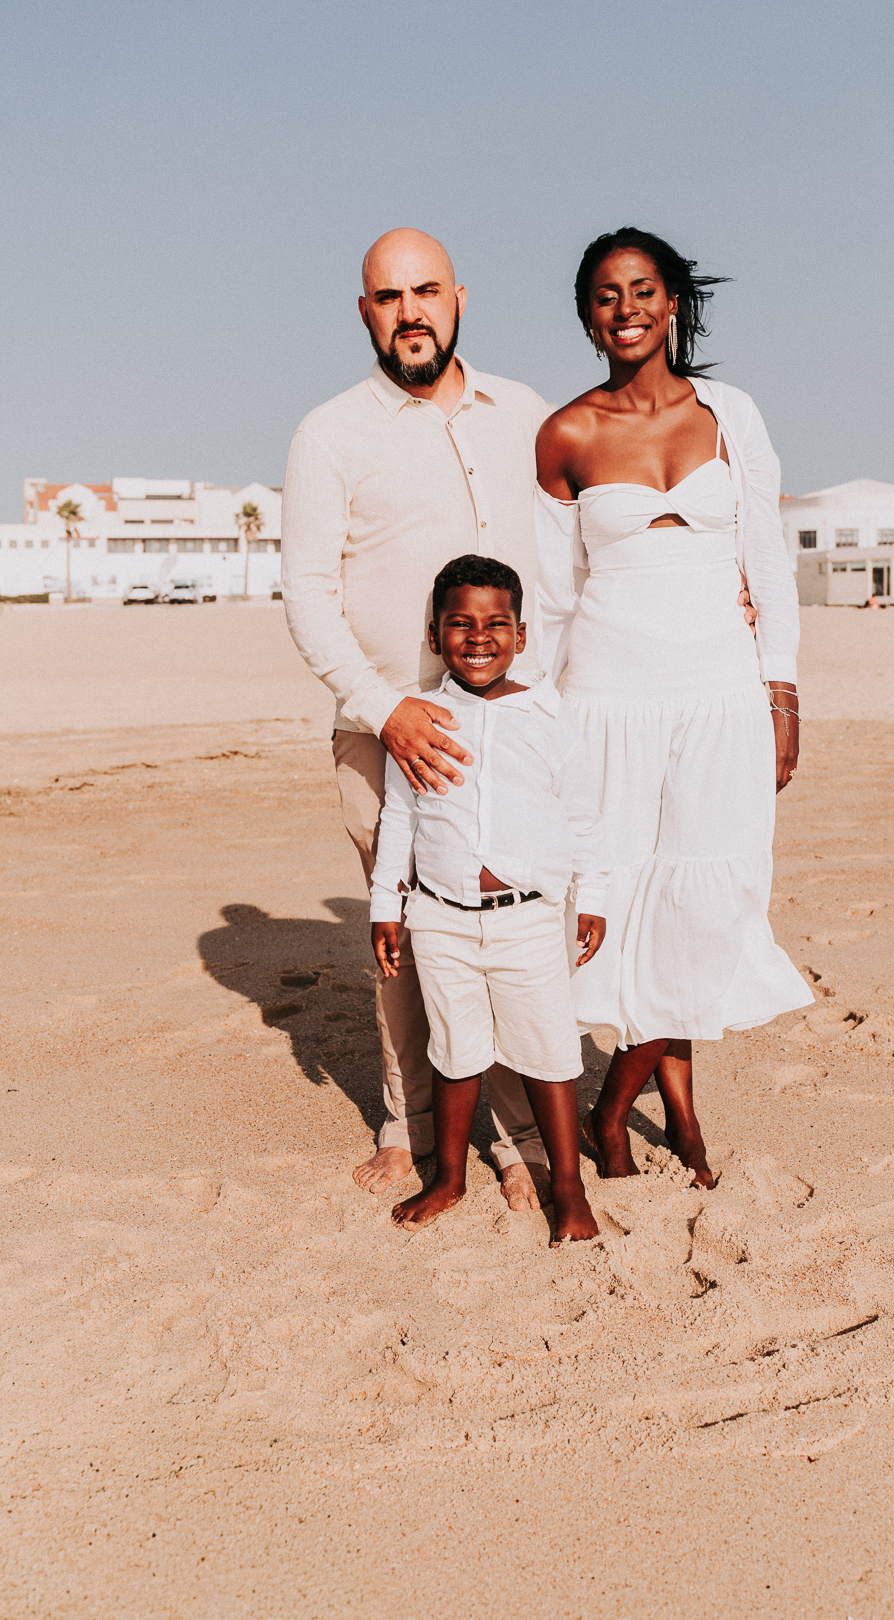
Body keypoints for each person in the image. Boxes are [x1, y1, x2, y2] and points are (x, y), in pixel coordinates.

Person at [535, 225, 814, 1188]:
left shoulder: (732, 414)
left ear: (674, 303)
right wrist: (538, 725)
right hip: (604, 697)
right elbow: (555, 599)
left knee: (706, 901)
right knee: (620, 902)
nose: (627, 309)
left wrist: (781, 690)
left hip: (719, 691)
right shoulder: (564, 434)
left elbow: (767, 559)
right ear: (587, 317)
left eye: (643, 290)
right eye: (606, 295)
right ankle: (682, 1118)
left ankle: (614, 1107)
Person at [281, 228, 555, 1208]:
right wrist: (386, 708)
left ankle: (520, 1137)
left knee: (513, 924)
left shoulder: (525, 414)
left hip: (512, 726)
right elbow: (308, 596)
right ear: (366, 313)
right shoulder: (329, 434)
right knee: (402, 936)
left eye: (426, 292)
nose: (410, 313)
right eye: (389, 297)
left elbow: (573, 548)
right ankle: (408, 1127)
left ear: (459, 299)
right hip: (386, 730)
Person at [369, 555, 608, 1244]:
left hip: (528, 919)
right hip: (439, 919)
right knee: (455, 1051)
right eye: (460, 624)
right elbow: (399, 817)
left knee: (549, 1054)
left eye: (496, 624)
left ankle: (568, 1186)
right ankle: (449, 1177)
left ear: (521, 635)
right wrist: (386, 907)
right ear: (435, 634)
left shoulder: (549, 714)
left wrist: (592, 896)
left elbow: (582, 816)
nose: (479, 637)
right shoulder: (420, 720)